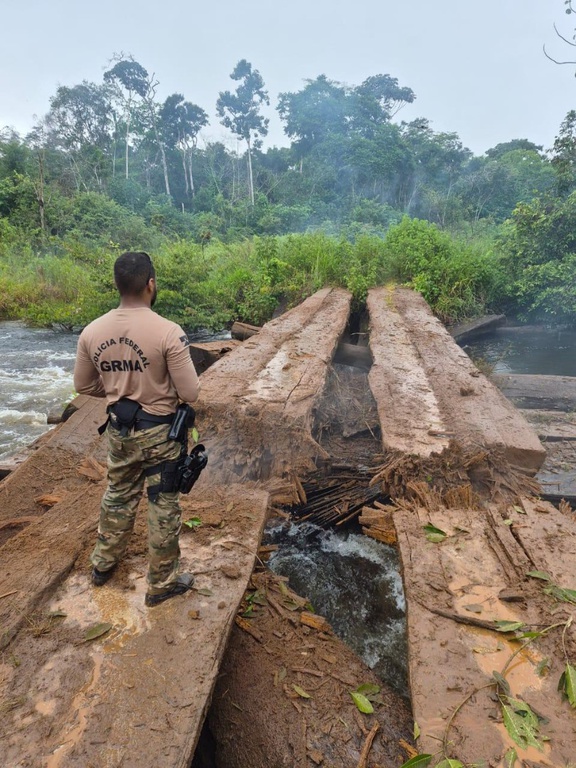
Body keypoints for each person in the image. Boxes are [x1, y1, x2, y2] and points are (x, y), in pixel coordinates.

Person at [73, 251, 201, 607]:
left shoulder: (92, 331)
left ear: (117, 285)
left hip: (120, 430)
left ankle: (102, 566)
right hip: (161, 434)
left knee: (118, 494)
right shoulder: (168, 332)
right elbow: (190, 392)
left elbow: (83, 385)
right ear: (150, 284)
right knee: (162, 502)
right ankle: (162, 583)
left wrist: (118, 392)